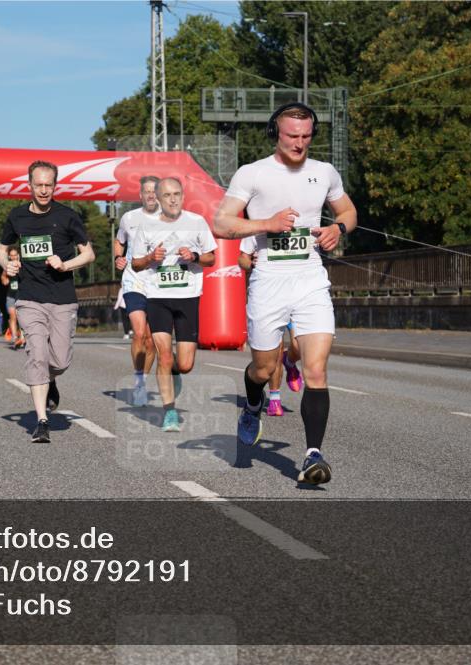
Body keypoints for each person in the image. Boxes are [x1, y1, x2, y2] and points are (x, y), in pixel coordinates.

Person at [214, 102, 357, 485]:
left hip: (310, 279)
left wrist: (337, 230)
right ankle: (253, 404)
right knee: (263, 368)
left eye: (306, 136)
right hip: (269, 281)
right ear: (275, 131)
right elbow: (222, 223)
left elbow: (348, 212)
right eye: (292, 135)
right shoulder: (253, 173)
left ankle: (312, 455)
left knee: (316, 369)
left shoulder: (324, 172)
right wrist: (267, 223)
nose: (299, 143)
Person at [0, 160, 95, 443]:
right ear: (29, 185)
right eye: (38, 185)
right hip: (29, 297)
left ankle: (51, 379)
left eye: (48, 185)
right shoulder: (17, 217)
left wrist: (65, 264)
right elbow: (2, 250)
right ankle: (41, 421)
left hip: (62, 298)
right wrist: (7, 265)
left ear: (55, 186)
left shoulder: (67, 217)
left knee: (60, 360)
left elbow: (88, 255)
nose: (43, 190)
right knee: (37, 352)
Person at [131, 177, 217, 432]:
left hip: (188, 297)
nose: (173, 199)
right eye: (167, 195)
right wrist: (150, 257)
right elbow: (135, 263)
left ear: (183, 195)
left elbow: (212, 258)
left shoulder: (196, 222)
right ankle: (169, 411)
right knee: (164, 355)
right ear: (157, 198)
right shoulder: (146, 226)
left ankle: (176, 373)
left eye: (177, 194)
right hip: (158, 297)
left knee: (186, 363)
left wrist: (196, 256)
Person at [238, 237, 303, 417]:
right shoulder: (259, 223)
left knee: (300, 345)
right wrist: (252, 264)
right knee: (275, 351)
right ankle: (275, 398)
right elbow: (242, 259)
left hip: (298, 292)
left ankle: (289, 362)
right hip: (270, 295)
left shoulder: (303, 221)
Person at [115, 175, 161, 407]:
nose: (151, 195)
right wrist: (118, 257)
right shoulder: (129, 218)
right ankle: (139, 381)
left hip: (159, 283)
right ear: (140, 195)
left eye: (155, 191)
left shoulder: (171, 218)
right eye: (147, 191)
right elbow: (118, 241)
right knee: (140, 333)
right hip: (134, 280)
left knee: (152, 341)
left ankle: (143, 380)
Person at [0, 246, 25, 349]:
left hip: (23, 295)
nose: (14, 257)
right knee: (13, 316)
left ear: (18, 255)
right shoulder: (8, 266)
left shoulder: (23, 265)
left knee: (22, 317)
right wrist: (4, 280)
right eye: (12, 255)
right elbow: (3, 277)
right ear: (9, 257)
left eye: (15, 255)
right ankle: (15, 338)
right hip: (11, 295)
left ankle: (23, 337)